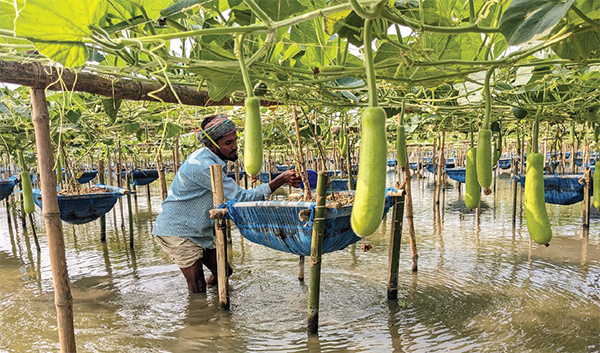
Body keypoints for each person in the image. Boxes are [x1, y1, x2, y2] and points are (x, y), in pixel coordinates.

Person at [152, 114, 301, 293]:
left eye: (235, 141)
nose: (235, 146)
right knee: (198, 287)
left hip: (198, 231)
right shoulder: (204, 165)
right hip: (177, 232)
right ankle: (199, 317)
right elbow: (241, 199)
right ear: (211, 145)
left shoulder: (210, 159)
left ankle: (215, 310)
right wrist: (279, 180)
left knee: (225, 272)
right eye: (228, 143)